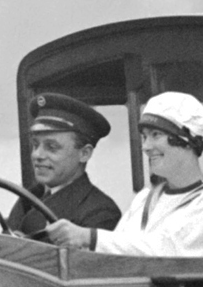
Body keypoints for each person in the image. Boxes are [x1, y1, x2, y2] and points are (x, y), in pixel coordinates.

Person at [43, 91, 203, 257]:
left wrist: (89, 237)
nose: (147, 147)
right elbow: (117, 254)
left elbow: (169, 253)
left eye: (156, 135)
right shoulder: (146, 198)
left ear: (187, 141)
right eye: (145, 137)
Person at [10, 92, 122, 237]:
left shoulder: (100, 213)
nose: (37, 155)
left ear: (84, 154)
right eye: (35, 145)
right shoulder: (30, 198)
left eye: (51, 147)